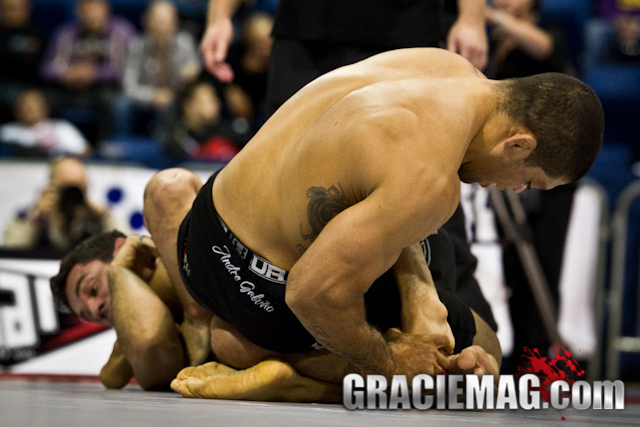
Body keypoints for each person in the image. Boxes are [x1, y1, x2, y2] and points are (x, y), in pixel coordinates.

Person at [200, 0, 487, 115]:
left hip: (405, 29)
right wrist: (219, 16)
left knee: (414, 163)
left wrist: (472, 18)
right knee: (287, 160)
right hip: (306, 28)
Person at [39, 0, 136, 143]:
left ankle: (109, 147)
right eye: (86, 10)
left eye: (94, 9)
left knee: (116, 103)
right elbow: (45, 68)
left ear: (106, 9)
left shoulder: (122, 31)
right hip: (68, 88)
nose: (90, 15)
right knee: (41, 99)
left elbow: (128, 69)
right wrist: (67, 73)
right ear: (77, 11)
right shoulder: (64, 33)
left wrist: (95, 73)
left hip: (106, 89)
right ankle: (48, 145)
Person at [115, 0, 201, 137]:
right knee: (121, 104)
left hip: (175, 96)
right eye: (158, 21)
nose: (162, 27)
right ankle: (120, 146)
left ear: (176, 23)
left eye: (167, 22)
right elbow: (128, 86)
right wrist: (154, 95)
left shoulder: (185, 43)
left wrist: (191, 74)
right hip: (143, 98)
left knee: (179, 104)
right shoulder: (136, 46)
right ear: (147, 22)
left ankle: (169, 148)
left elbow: (194, 71)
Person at [3, 156, 122, 251]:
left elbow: (125, 247)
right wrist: (37, 218)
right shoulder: (28, 217)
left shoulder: (94, 220)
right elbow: (11, 253)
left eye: (78, 189)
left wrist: (104, 217)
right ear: (50, 186)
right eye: (66, 188)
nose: (71, 196)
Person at [160, 80, 249, 163]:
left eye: (215, 99)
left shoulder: (229, 136)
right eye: (209, 100)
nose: (216, 104)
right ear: (189, 106)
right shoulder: (173, 140)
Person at [0, 88, 90, 157]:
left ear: (45, 108)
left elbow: (84, 151)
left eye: (33, 106)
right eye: (24, 106)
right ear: (15, 109)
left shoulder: (61, 128)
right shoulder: (6, 131)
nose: (28, 109)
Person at [0, 0, 44, 123]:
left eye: (16, 8)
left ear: (27, 9)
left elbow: (35, 64)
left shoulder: (37, 34)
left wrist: (6, 54)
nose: (12, 13)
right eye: (7, 9)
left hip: (29, 84)